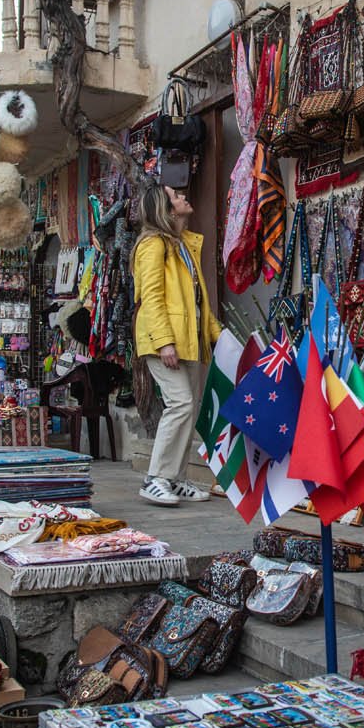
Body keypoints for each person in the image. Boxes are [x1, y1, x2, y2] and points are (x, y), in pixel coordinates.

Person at [131, 184, 221, 506]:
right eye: (175, 197)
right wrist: (164, 342)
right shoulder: (153, 245)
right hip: (163, 341)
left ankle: (175, 478)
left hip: (189, 339)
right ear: (167, 211)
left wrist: (217, 335)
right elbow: (151, 298)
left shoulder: (183, 244)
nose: (184, 197)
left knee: (190, 407)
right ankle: (155, 478)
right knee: (181, 403)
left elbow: (198, 302)